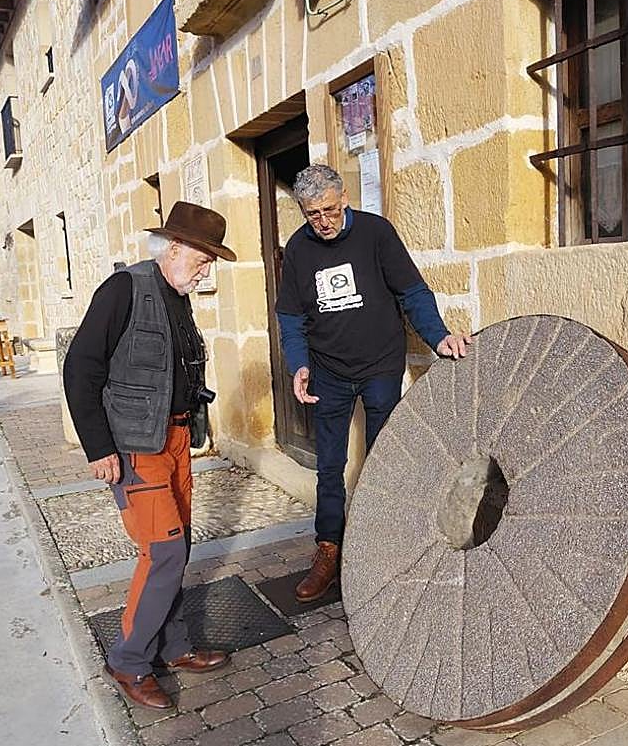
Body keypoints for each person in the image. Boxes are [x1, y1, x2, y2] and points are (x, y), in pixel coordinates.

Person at [63, 201, 237, 709]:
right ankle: (129, 660)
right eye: (203, 260)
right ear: (175, 247)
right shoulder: (124, 289)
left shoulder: (176, 294)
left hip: (176, 440)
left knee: (175, 549)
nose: (206, 271)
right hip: (137, 447)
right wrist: (99, 448)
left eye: (210, 264)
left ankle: (174, 646)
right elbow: (81, 368)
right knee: (160, 551)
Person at [276, 164, 471, 602]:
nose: (323, 222)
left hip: (380, 365)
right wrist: (299, 364)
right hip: (328, 371)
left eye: (329, 210)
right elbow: (290, 317)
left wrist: (438, 337)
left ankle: (383, 548)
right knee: (329, 467)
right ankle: (328, 550)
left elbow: (413, 293)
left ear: (343, 198)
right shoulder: (300, 249)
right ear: (303, 212)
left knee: (385, 460)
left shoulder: (375, 234)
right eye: (313, 215)